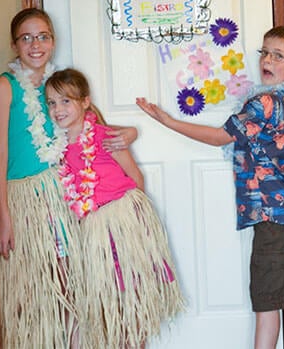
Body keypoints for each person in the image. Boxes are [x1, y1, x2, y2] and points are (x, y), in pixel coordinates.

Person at [136, 26, 284, 349]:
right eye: (265, 52)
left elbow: (220, 137)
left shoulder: (265, 102)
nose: (267, 59)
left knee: (266, 303)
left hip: (273, 218)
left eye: (278, 55)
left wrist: (168, 121)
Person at [0, 7, 137, 348]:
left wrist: (129, 132)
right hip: (28, 198)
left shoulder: (60, 85)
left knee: (78, 277)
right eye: (26, 38)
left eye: (42, 36)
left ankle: (82, 340)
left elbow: (95, 126)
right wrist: (4, 218)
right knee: (44, 284)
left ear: (53, 42)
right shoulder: (5, 86)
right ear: (15, 45)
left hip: (67, 193)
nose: (35, 44)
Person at [45, 68, 185, 348]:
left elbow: (136, 178)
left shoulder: (104, 136)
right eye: (51, 102)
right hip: (92, 234)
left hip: (122, 226)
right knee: (107, 306)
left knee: (131, 301)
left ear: (85, 102)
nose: (58, 109)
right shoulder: (55, 148)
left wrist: (132, 222)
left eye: (66, 101)